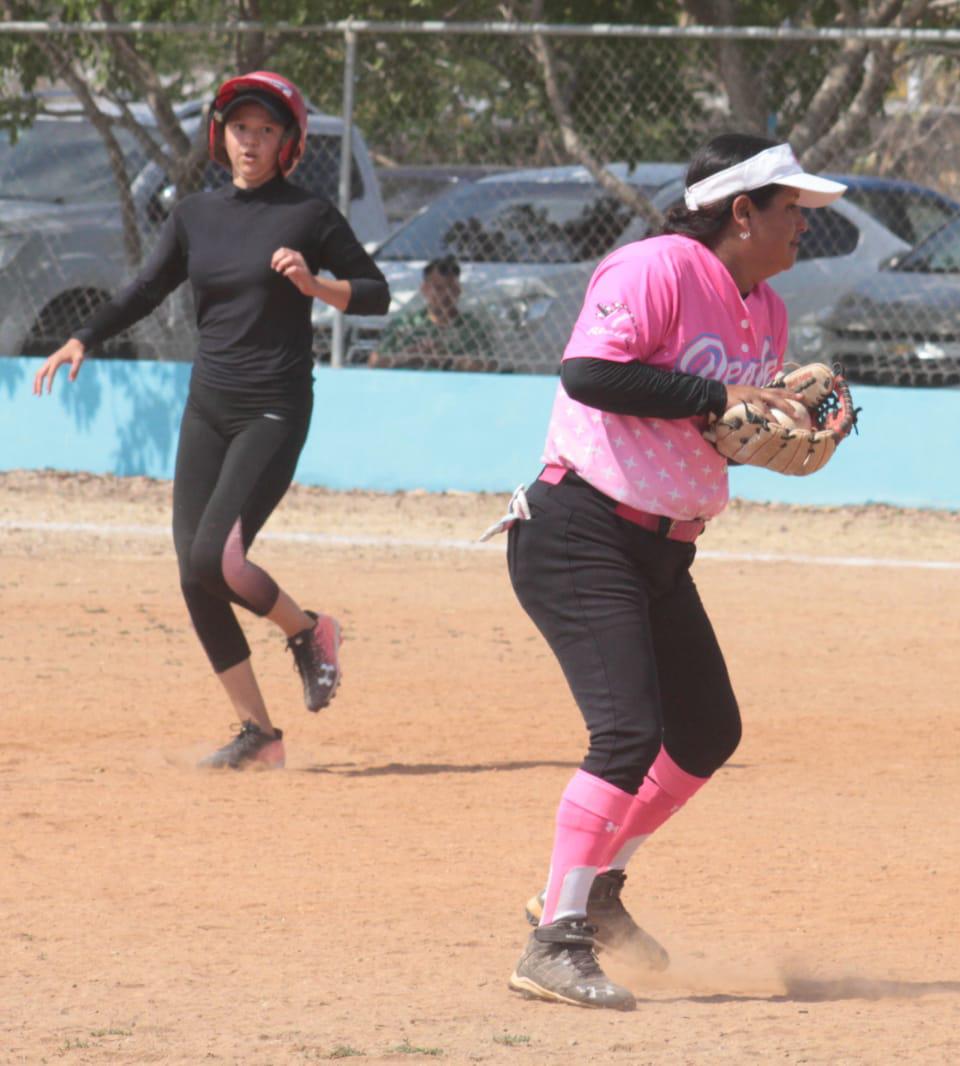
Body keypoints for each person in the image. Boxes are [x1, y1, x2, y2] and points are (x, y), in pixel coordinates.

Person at [486, 135, 845, 1010]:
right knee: (626, 737)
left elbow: (720, 426)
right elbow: (590, 373)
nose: (804, 223)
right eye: (790, 207)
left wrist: (779, 419)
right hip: (579, 529)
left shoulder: (766, 310)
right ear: (741, 211)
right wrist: (718, 396)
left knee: (706, 732)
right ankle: (555, 940)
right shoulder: (653, 269)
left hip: (663, 545)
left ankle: (597, 886)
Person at [32, 71, 390, 770]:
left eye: (265, 131)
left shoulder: (309, 215)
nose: (250, 142)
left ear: (287, 143)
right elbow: (145, 286)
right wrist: (86, 336)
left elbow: (374, 293)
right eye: (239, 129)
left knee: (214, 558)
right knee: (193, 575)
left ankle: (310, 632)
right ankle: (260, 735)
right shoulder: (197, 214)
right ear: (218, 138)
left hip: (273, 406)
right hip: (209, 405)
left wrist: (315, 285)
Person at [368, 254, 498, 371]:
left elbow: (491, 365)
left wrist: (448, 359)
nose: (446, 295)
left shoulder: (472, 326)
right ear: (424, 289)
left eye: (452, 288)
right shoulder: (406, 323)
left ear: (459, 291)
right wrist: (410, 354)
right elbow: (373, 362)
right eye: (439, 288)